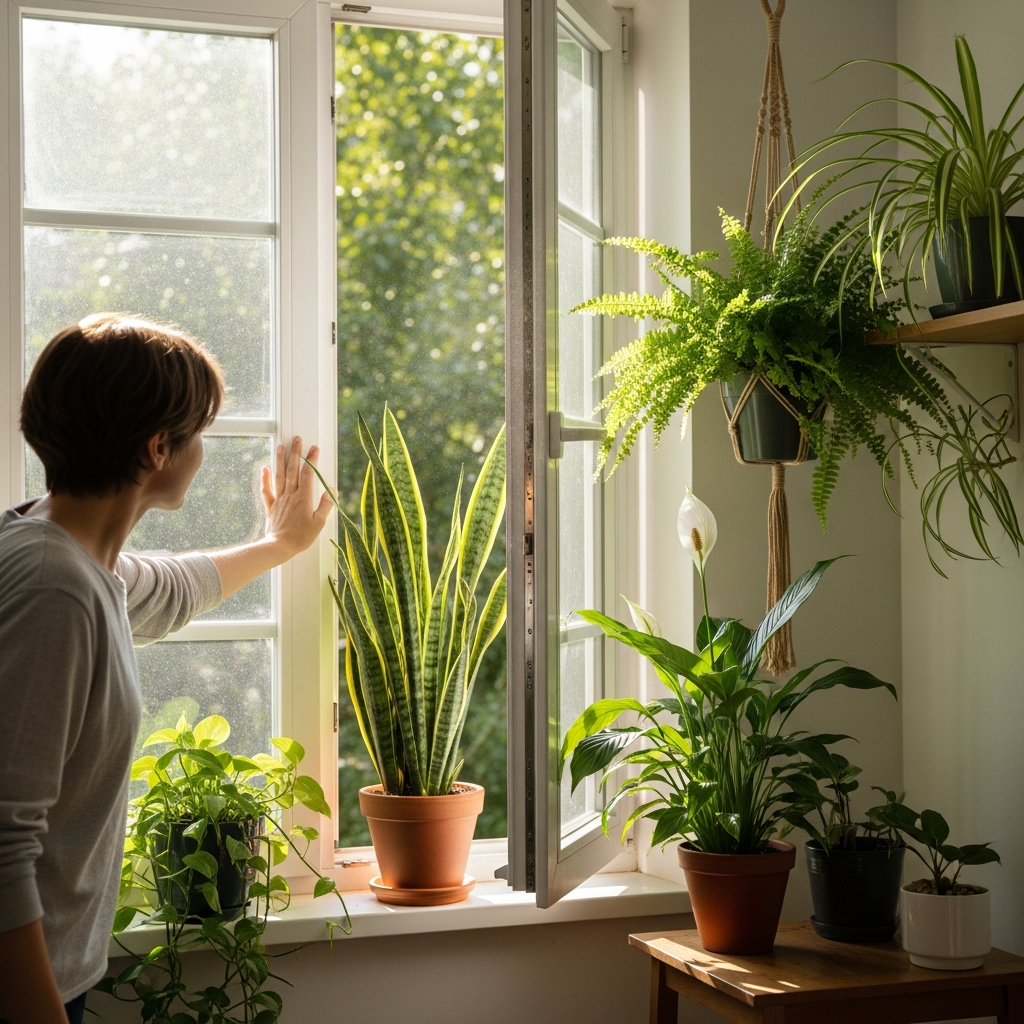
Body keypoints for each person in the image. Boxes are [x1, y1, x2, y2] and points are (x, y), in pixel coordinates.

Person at [0, 313, 334, 1024]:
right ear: (158, 448)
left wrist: (278, 544)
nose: (203, 451)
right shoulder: (54, 585)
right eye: (200, 433)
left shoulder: (67, 555)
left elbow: (171, 588)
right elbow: (1, 843)